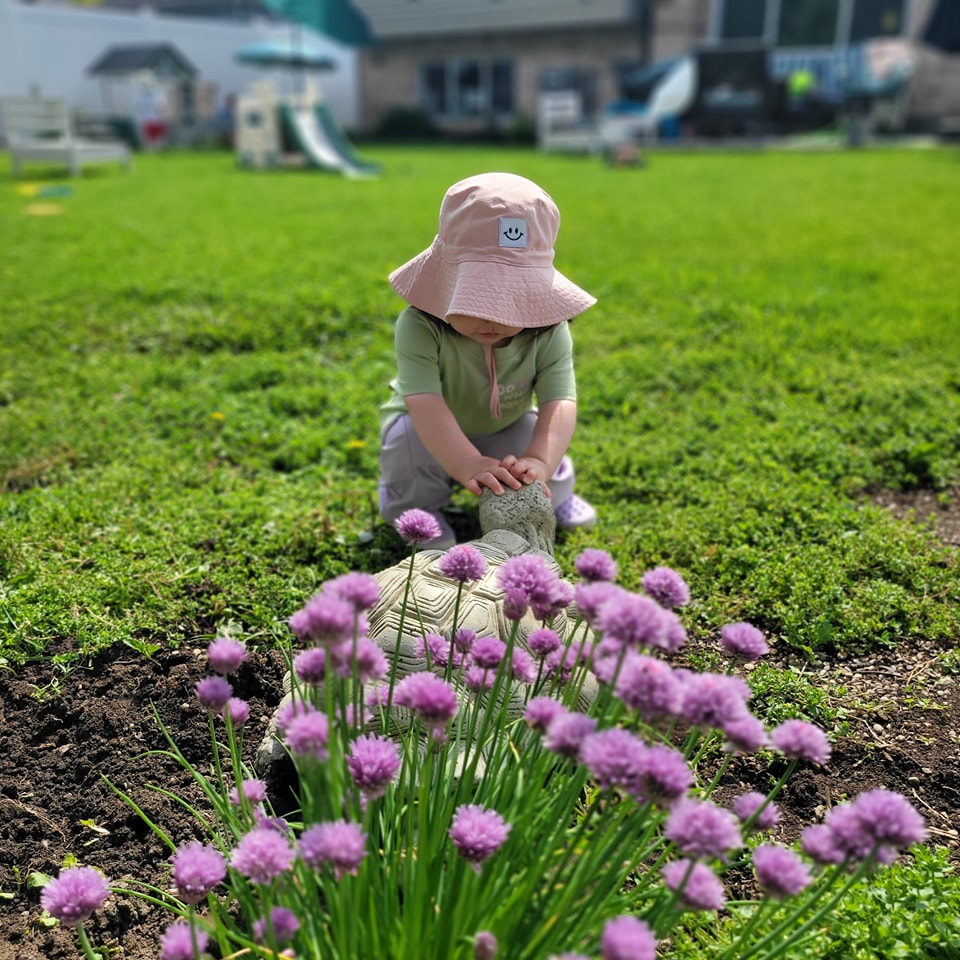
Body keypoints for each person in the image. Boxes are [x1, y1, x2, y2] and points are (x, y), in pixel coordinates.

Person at [378, 171, 598, 549]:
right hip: (427, 426)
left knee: (542, 461)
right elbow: (425, 403)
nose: (494, 319)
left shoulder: (547, 330)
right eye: (480, 297)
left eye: (515, 299)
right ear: (447, 280)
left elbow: (559, 401)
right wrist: (466, 464)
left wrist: (540, 460)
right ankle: (417, 509)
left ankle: (556, 495)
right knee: (407, 447)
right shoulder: (418, 326)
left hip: (506, 424)